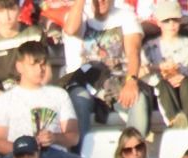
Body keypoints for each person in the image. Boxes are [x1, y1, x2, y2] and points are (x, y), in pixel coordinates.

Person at [0, 40, 90, 158]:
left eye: (42, 64)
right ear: (19, 67)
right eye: (33, 64)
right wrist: (24, 148)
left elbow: (73, 137)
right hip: (18, 155)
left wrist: (54, 137)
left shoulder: (59, 95)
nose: (39, 69)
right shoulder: (4, 99)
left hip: (53, 152)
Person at [64, 0, 149, 146]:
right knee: (78, 100)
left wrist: (131, 81)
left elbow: (133, 51)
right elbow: (70, 30)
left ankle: (132, 152)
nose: (100, 2)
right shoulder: (80, 16)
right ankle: (79, 157)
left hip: (118, 80)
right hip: (86, 80)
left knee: (138, 100)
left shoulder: (126, 16)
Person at [140, 1, 188, 130]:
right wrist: (159, 68)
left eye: (175, 20)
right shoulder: (149, 47)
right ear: (159, 22)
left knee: (186, 82)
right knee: (163, 85)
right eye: (166, 21)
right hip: (164, 90)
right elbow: (139, 73)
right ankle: (175, 120)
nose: (171, 24)